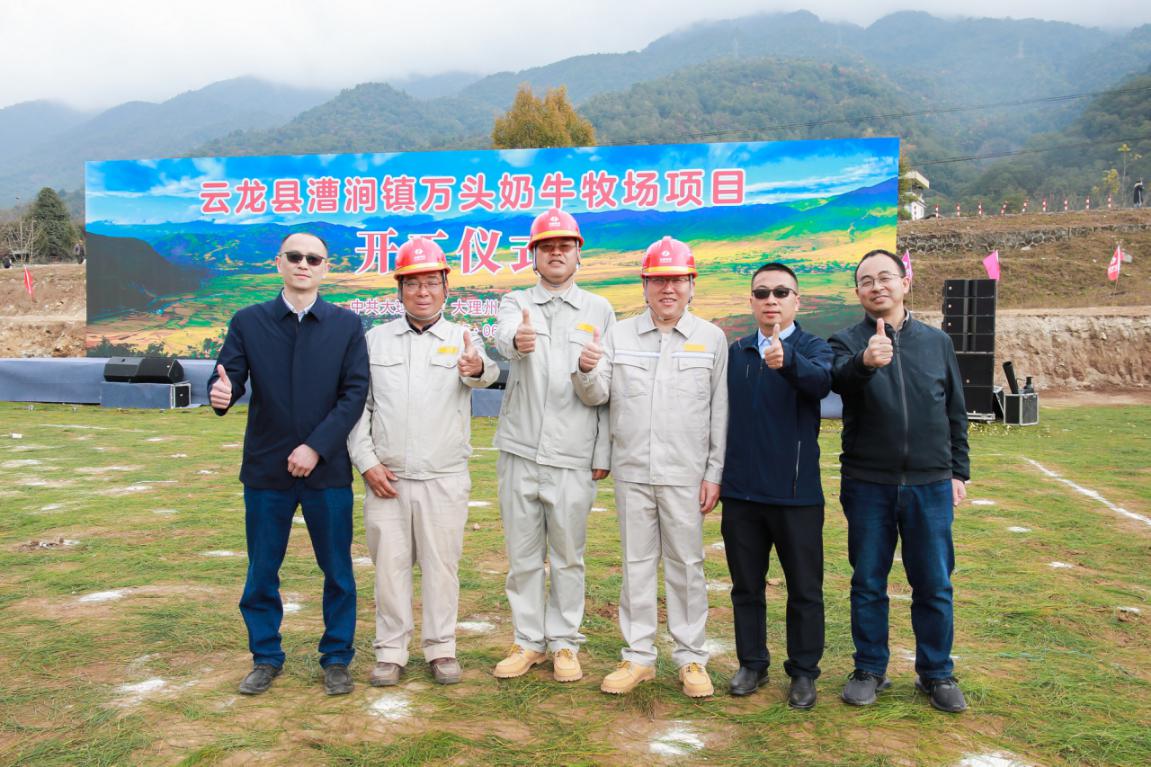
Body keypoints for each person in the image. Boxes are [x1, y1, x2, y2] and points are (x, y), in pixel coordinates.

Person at [208, 232, 369, 696]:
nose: (304, 264)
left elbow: (354, 393)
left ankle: (337, 657)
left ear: (325, 267)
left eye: (313, 258)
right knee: (262, 570)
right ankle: (265, 656)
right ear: (279, 262)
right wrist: (221, 395)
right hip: (266, 470)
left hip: (327, 471)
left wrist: (316, 447)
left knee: (337, 569)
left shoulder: (345, 326)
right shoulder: (249, 321)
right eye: (295, 256)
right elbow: (227, 377)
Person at [573, 236, 728, 698]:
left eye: (677, 279)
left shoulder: (711, 338)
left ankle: (691, 658)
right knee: (636, 565)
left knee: (687, 565)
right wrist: (585, 368)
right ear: (644, 286)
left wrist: (713, 472)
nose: (668, 289)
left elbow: (719, 411)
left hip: (686, 474)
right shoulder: (619, 335)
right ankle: (637, 656)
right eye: (658, 280)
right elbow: (596, 396)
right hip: (633, 472)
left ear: (691, 285)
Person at [347, 237, 498, 687]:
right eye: (413, 284)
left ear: (446, 288)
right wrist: (366, 462)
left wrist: (477, 369)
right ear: (399, 291)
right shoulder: (374, 340)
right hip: (386, 479)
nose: (423, 292)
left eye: (432, 282)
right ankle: (391, 651)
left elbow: (486, 374)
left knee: (441, 567)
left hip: (444, 479)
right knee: (389, 569)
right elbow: (360, 408)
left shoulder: (462, 339)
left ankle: (441, 648)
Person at [829, 249, 970, 713]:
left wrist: (957, 471)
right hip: (868, 481)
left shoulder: (936, 341)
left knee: (933, 581)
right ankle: (870, 668)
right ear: (858, 293)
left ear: (905, 282)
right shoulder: (846, 340)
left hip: (930, 483)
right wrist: (866, 362)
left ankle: (937, 673)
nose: (877, 287)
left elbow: (954, 411)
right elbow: (840, 382)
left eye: (885, 277)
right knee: (869, 580)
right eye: (866, 281)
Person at [491, 208, 615, 683]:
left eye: (565, 246)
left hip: (573, 455)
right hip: (520, 450)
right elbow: (503, 339)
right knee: (522, 557)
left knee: (568, 556)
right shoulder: (515, 303)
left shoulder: (599, 311)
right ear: (534, 256)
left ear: (578, 254)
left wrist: (601, 452)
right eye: (548, 246)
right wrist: (518, 340)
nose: (557, 253)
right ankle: (528, 643)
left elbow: (604, 392)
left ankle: (564, 643)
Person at [720, 262, 832, 708]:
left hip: (796, 495)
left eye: (781, 292)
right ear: (751, 301)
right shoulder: (737, 351)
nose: (772, 300)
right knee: (746, 586)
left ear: (796, 301)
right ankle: (752, 663)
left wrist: (788, 363)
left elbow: (821, 384)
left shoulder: (813, 347)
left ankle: (803, 672)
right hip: (742, 494)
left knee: (805, 589)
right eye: (762, 292)